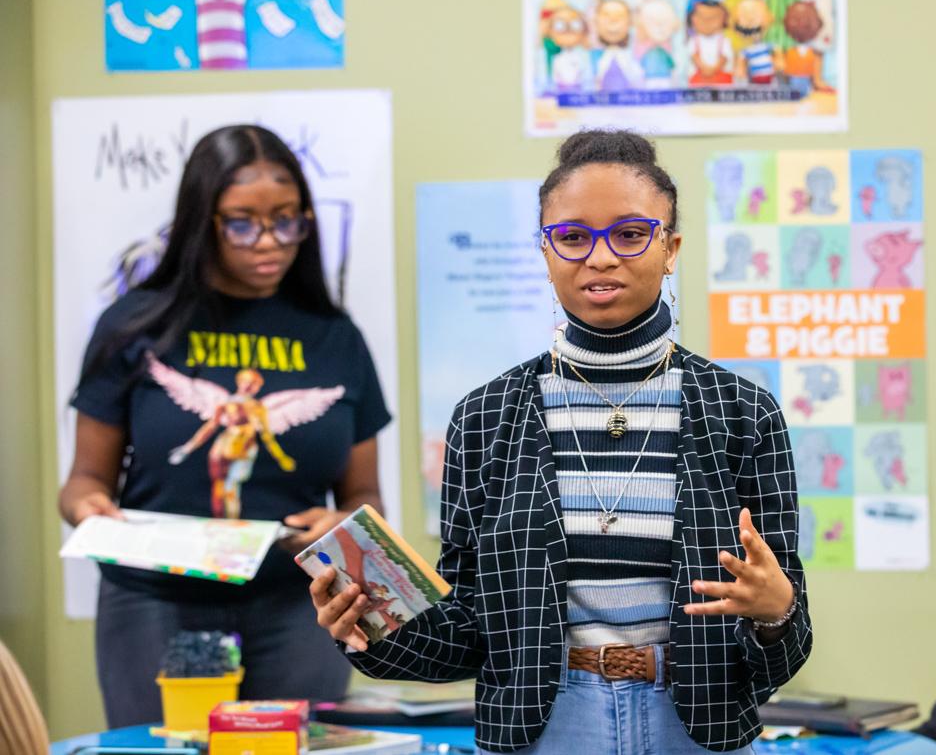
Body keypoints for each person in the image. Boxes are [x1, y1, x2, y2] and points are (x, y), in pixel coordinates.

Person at [312, 129, 812, 754]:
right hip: (544, 726)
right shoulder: (486, 416)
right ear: (545, 253)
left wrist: (775, 611)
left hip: (695, 724)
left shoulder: (742, 412)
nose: (600, 257)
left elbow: (784, 646)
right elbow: (471, 630)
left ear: (671, 248)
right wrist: (374, 628)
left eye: (631, 234)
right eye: (573, 238)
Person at [60, 124, 391, 726]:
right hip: (154, 601)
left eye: (289, 220)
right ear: (199, 222)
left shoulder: (336, 338)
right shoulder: (132, 327)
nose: (270, 242)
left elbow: (363, 497)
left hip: (301, 607)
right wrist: (91, 511)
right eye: (242, 222)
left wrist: (344, 523)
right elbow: (82, 481)